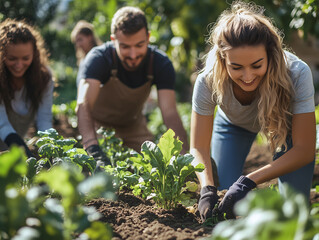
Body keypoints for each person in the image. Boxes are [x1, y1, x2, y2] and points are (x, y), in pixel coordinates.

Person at [190, 1, 316, 221]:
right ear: (223, 60)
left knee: (294, 214)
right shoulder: (208, 80)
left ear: (270, 54)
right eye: (236, 67)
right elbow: (198, 146)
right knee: (227, 201)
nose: (247, 77)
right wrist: (207, 188)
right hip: (232, 125)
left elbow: (305, 149)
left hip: (284, 127)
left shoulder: (296, 73)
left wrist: (249, 180)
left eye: (257, 65)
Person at [76, 6, 189, 169]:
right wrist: (92, 148)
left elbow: (170, 112)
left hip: (134, 126)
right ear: (113, 40)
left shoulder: (160, 64)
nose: (133, 54)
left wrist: (183, 153)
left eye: (139, 45)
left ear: (148, 38)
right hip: (99, 126)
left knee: (153, 169)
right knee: (100, 172)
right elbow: (83, 104)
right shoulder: (99, 59)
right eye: (125, 47)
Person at [0, 19, 54, 158]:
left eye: (25, 58)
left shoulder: (44, 78)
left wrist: (53, 152)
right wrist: (27, 155)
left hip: (13, 150)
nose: (19, 64)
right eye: (12, 58)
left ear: (35, 54)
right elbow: (2, 124)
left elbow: (44, 120)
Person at [70, 20, 102, 87]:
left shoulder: (101, 57)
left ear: (90, 37)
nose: (78, 45)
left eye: (80, 40)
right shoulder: (82, 60)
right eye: (76, 42)